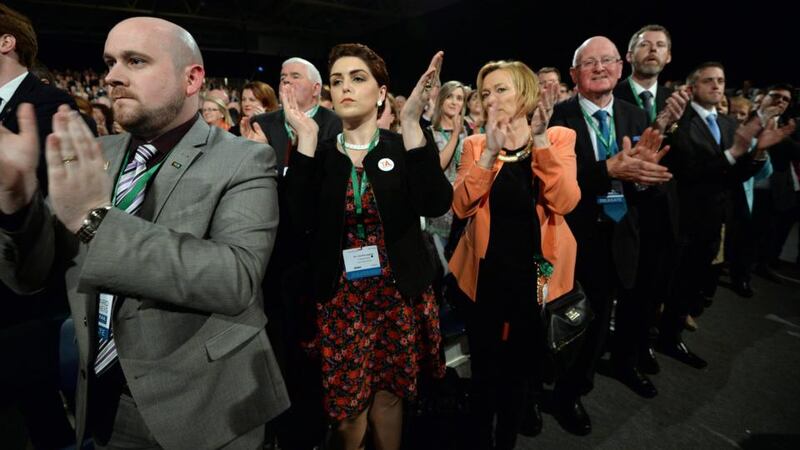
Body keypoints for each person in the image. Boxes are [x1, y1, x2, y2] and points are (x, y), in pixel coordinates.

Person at [0, 17, 288, 448]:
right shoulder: (92, 152)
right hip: (96, 397)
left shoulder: (243, 160)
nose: (113, 76)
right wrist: (17, 206)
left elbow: (235, 279)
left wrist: (95, 220)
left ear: (192, 79)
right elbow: (28, 277)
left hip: (203, 409)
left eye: (135, 61)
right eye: (109, 62)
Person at [285, 44, 451, 450]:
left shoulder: (400, 146)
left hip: (396, 295)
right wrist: (305, 138)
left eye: (358, 78)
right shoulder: (318, 154)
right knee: (346, 414)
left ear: (380, 93)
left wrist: (412, 122)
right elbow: (293, 225)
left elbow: (435, 202)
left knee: (390, 396)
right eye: (337, 81)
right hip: (341, 301)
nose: (345, 87)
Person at [448, 60, 580, 449]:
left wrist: (538, 141)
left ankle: (506, 438)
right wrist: (488, 153)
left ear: (525, 92)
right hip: (486, 272)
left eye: (501, 89)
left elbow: (566, 200)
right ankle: (477, 437)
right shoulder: (474, 143)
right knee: (485, 368)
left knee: (520, 371)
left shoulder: (558, 137)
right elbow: (460, 206)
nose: (491, 98)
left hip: (539, 274)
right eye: (485, 93)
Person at [549, 36, 672, 435]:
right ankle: (556, 393)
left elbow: (641, 183)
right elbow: (551, 186)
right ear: (574, 74)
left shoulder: (636, 117)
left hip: (620, 236)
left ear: (620, 68)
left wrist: (644, 178)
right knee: (562, 323)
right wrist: (608, 170)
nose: (600, 67)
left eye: (607, 60)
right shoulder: (556, 118)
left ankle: (577, 387)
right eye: (589, 62)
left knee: (600, 321)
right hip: (569, 240)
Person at [658, 63, 787, 370]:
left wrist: (757, 154)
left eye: (721, 81)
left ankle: (670, 337)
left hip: (713, 220)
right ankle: (644, 341)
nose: (717, 86)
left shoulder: (729, 126)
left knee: (691, 285)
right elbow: (690, 171)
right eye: (709, 81)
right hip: (681, 220)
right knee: (665, 284)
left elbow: (734, 177)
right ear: (692, 88)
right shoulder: (682, 123)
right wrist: (733, 153)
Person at [611, 24, 689, 381]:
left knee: (649, 292)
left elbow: (687, 161)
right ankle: (615, 357)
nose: (653, 50)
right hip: (620, 211)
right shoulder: (611, 93)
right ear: (629, 55)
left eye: (661, 45)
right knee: (616, 291)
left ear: (669, 56)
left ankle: (638, 348)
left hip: (663, 216)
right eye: (645, 45)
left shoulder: (680, 102)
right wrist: (658, 126)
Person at [249, 56, 341, 175]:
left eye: (295, 76)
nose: (286, 81)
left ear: (316, 89)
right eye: (283, 77)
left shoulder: (336, 123)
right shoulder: (259, 123)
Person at [426, 80, 468, 250]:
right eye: (449, 96)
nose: (454, 102)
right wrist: (455, 135)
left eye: (459, 98)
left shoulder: (469, 132)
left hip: (463, 208)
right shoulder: (429, 132)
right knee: (442, 270)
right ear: (441, 99)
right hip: (440, 209)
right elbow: (437, 167)